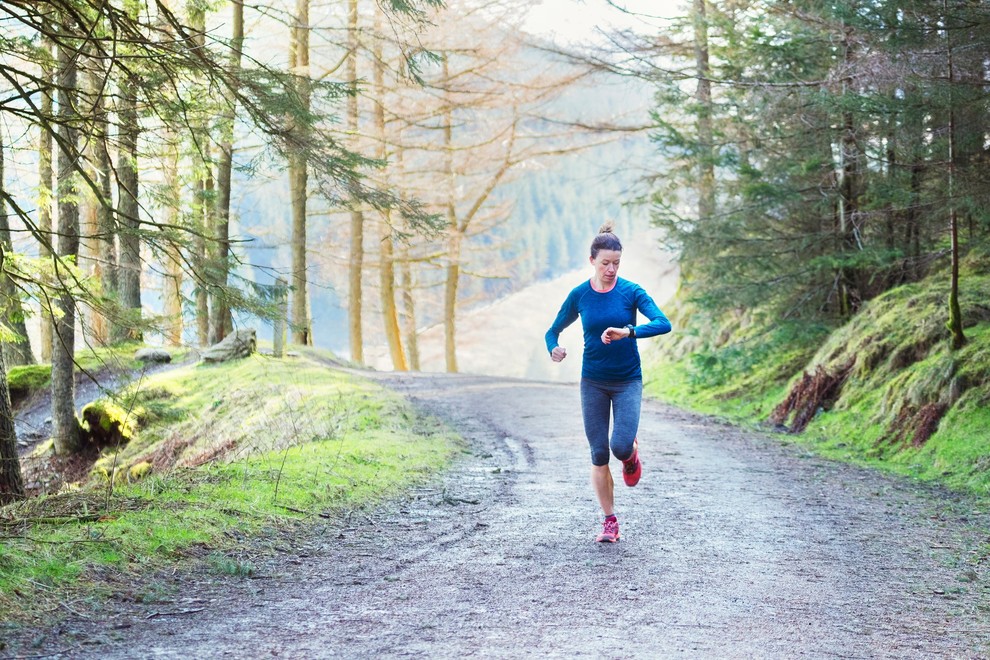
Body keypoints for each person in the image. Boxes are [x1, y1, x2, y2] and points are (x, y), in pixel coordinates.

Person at [545, 221, 671, 543]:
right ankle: (609, 521)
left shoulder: (631, 292)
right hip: (593, 382)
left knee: (619, 446)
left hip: (628, 380)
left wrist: (628, 331)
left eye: (616, 263)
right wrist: (554, 348)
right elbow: (552, 331)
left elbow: (662, 323)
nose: (611, 269)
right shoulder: (580, 295)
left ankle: (630, 454)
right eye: (605, 263)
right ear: (592, 261)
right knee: (599, 452)